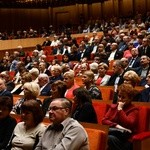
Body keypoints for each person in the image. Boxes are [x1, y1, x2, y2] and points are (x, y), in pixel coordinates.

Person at [102, 84, 139, 150]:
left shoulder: (134, 110)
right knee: (106, 137)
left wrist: (120, 110)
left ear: (130, 98)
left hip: (126, 139)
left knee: (110, 138)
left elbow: (128, 124)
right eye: (119, 96)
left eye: (123, 97)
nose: (120, 99)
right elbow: (104, 120)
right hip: (114, 133)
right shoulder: (114, 106)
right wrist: (117, 126)